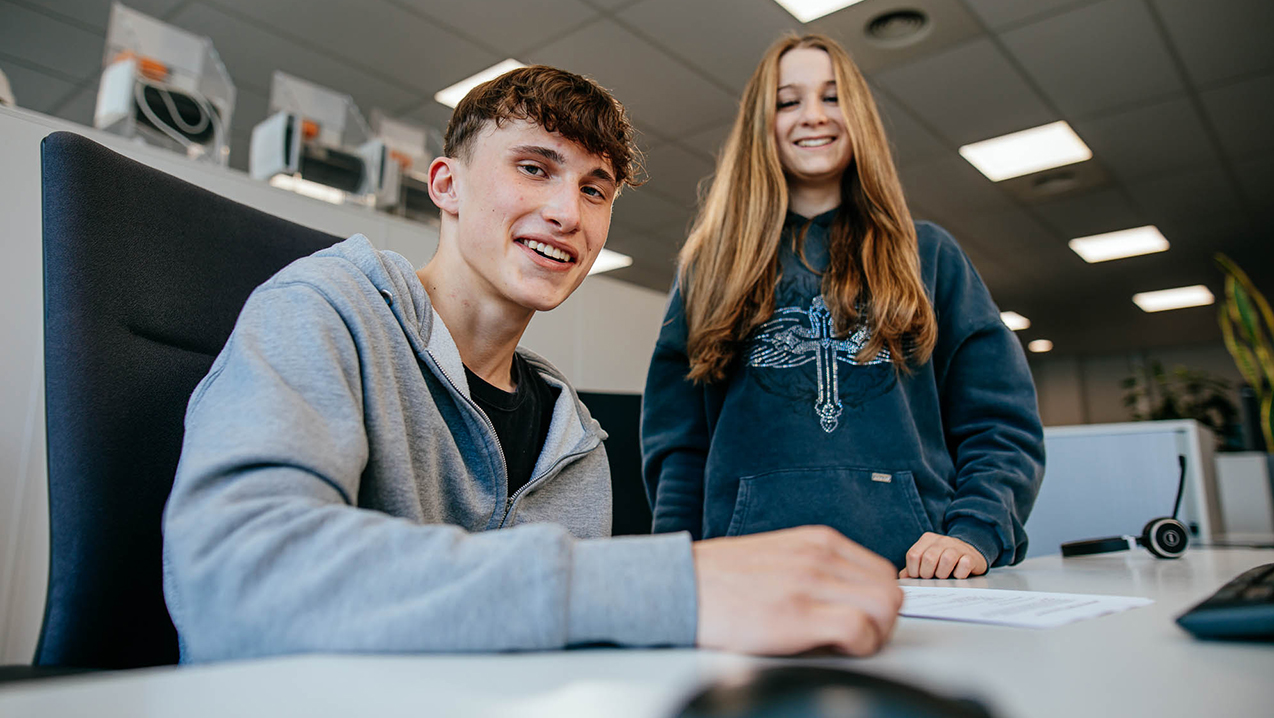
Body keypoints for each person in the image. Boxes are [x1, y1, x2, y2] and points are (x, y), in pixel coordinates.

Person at [162, 64, 903, 662]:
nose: (567, 214)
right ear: (447, 185)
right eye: (533, 168)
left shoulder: (572, 438)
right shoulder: (323, 311)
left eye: (593, 189)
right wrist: (666, 587)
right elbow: (235, 583)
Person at [641, 34, 1045, 581]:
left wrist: (976, 529)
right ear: (762, 124)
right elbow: (679, 444)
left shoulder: (928, 255)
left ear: (859, 116)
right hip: (747, 580)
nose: (813, 115)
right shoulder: (711, 265)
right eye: (788, 101)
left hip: (914, 578)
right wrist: (675, 563)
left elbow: (1000, 421)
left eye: (832, 97)